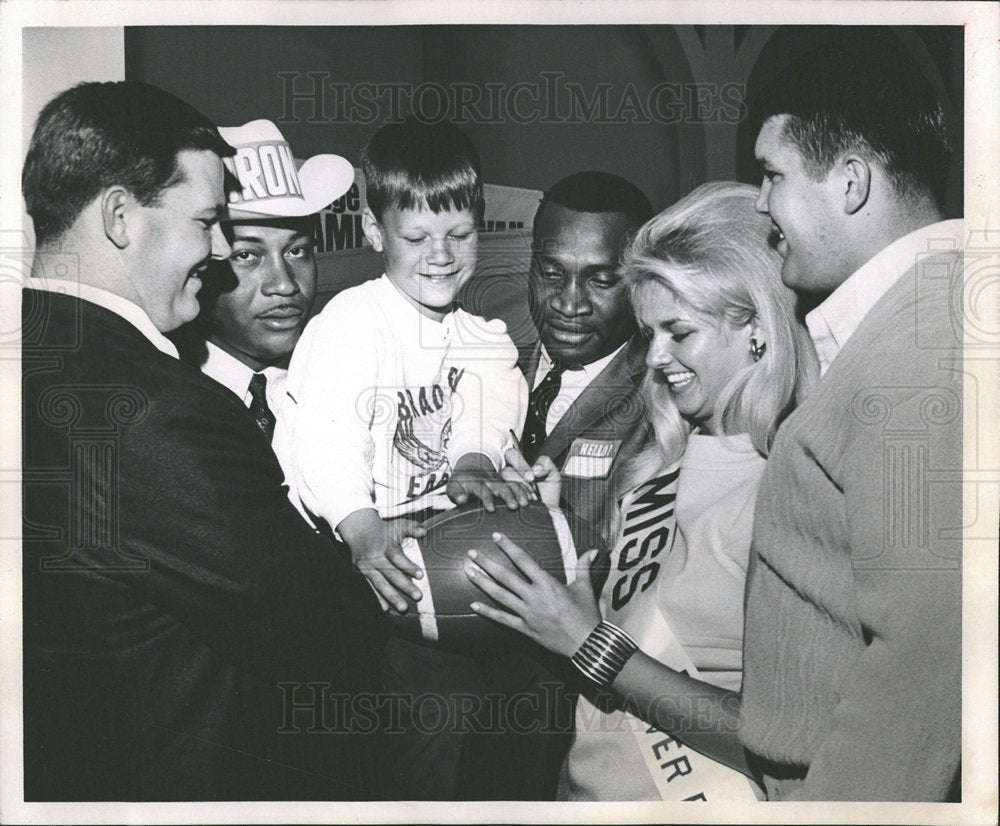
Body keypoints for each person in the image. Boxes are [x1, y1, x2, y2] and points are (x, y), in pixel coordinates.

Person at [21, 81, 384, 801]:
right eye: (209, 222)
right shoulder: (159, 408)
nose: (218, 252)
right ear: (121, 217)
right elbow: (329, 632)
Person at [465, 182, 818, 801]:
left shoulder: (792, 485)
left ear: (757, 328)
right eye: (650, 330)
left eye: (678, 332)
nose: (653, 356)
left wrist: (588, 644)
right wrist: (563, 532)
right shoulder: (668, 450)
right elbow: (626, 617)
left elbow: (783, 740)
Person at [280, 118, 534, 800]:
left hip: (439, 563)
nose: (442, 256)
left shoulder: (477, 332)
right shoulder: (350, 324)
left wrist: (474, 456)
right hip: (360, 562)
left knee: (512, 705)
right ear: (373, 232)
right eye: (417, 238)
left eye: (460, 234)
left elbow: (493, 387)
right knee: (437, 715)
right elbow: (325, 439)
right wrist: (361, 529)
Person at [739, 37, 963, 800]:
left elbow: (931, 649)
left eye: (772, 176)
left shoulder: (925, 345)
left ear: (853, 182)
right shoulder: (916, 321)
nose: (760, 205)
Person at [172, 119, 354, 441]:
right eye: (246, 256)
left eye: (297, 251)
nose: (284, 285)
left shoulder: (347, 381)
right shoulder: (171, 399)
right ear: (201, 264)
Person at [516, 171, 655, 534]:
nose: (568, 303)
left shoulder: (665, 404)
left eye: (601, 281)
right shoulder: (487, 372)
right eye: (551, 272)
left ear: (639, 283)